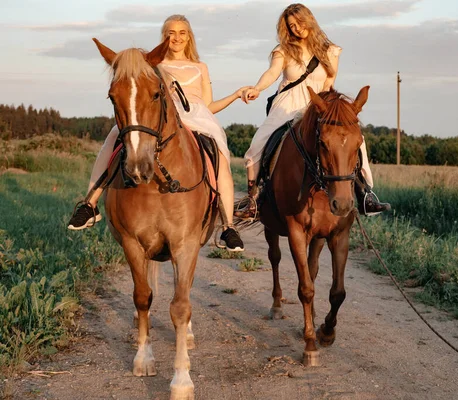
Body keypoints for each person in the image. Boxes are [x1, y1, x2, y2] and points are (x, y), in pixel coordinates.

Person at [68, 14, 247, 252]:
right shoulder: (153, 64)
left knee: (219, 153)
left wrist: (235, 95)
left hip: (195, 115)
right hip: (158, 114)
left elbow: (208, 104)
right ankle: (89, 203)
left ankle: (228, 225)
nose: (176, 37)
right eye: (171, 33)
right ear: (164, 37)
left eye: (182, 32)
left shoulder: (200, 67)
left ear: (189, 37)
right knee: (114, 137)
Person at [234, 3, 390, 220]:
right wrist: (257, 88)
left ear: (308, 20)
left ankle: (365, 194)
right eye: (291, 26)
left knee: (357, 139)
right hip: (288, 105)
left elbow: (329, 83)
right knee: (256, 147)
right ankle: (254, 200)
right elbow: (272, 73)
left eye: (299, 23)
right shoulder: (284, 50)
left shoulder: (330, 51)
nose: (296, 28)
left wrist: (330, 109)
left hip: (319, 106)